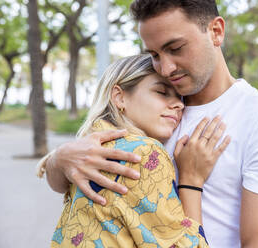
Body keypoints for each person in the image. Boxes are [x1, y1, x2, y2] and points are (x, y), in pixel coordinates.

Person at [39, 0, 258, 247]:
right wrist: (59, 160)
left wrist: (190, 181)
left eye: (175, 49)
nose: (165, 68)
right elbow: (70, 186)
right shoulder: (147, 106)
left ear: (216, 31)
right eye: (154, 54)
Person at [49, 54, 229, 247]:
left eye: (180, 97)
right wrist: (191, 181)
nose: (179, 104)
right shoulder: (144, 152)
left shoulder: (87, 149)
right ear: (119, 97)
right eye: (162, 92)